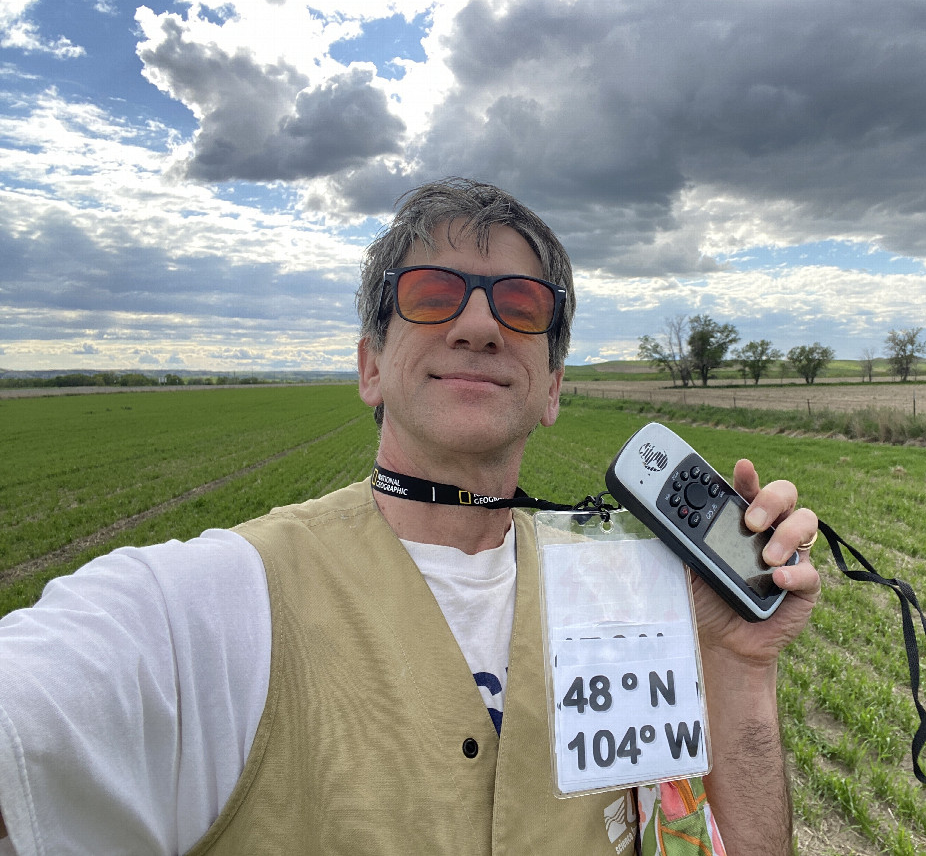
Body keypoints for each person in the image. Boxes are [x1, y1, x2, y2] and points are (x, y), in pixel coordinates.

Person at [0, 178, 821, 855]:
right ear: (369, 368)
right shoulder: (208, 608)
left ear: (554, 388)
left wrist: (740, 672)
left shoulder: (627, 602)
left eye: (522, 306)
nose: (478, 325)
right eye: (433, 297)